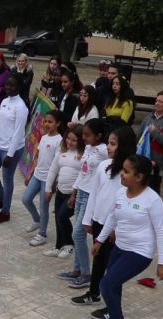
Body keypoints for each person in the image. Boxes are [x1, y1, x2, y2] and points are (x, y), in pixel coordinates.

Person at [91, 155, 163, 319]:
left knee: (106, 285)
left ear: (139, 177)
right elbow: (112, 217)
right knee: (114, 285)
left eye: (126, 172)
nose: (121, 175)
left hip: (139, 252)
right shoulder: (120, 193)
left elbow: (161, 231)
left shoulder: (152, 200)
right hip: (119, 248)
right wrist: (99, 241)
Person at [72, 126, 137, 305]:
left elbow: (128, 203)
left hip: (116, 228)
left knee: (114, 268)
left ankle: (112, 306)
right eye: (108, 143)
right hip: (99, 221)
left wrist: (117, 227)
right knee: (99, 260)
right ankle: (93, 294)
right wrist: (88, 219)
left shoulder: (131, 172)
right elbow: (95, 193)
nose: (108, 147)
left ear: (124, 146)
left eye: (113, 144)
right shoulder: (104, 165)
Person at [57, 118, 108, 287]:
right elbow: (83, 172)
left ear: (99, 136)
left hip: (91, 196)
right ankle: (77, 270)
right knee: (78, 234)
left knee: (78, 234)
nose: (84, 138)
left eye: (88, 135)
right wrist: (74, 191)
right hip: (80, 193)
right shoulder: (88, 147)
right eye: (83, 134)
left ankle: (86, 273)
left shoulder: (103, 151)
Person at [0, 76, 28, 223]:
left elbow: (18, 133)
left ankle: (5, 211)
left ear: (19, 88)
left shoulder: (21, 107)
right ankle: (2, 199)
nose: (8, 88)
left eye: (12, 86)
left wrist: (9, 155)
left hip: (12, 150)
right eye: (7, 85)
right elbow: (0, 124)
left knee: (7, 179)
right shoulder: (4, 101)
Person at [22, 109, 63, 247]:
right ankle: (37, 220)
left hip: (47, 180)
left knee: (43, 206)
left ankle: (42, 234)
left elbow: (57, 164)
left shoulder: (60, 141)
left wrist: (52, 185)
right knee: (26, 199)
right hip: (37, 175)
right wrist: (30, 173)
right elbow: (37, 157)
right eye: (45, 121)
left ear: (58, 124)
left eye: (50, 122)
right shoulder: (44, 137)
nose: (46, 124)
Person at [44, 125, 85, 258]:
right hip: (61, 191)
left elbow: (83, 175)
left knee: (62, 216)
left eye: (74, 140)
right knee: (57, 218)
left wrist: (75, 192)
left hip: (73, 194)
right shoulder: (62, 152)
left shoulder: (83, 156)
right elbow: (53, 170)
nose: (69, 142)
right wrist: (48, 188)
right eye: (68, 139)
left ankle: (69, 244)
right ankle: (58, 246)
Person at [138, 91, 163, 194]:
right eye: (156, 100)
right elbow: (138, 137)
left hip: (159, 163)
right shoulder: (148, 117)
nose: (157, 103)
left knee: (152, 191)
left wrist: (154, 132)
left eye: (161, 102)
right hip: (143, 159)